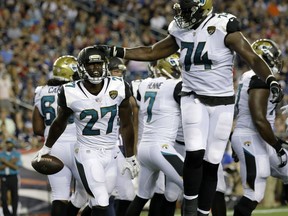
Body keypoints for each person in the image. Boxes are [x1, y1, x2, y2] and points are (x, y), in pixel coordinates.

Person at [96, 1, 284, 215]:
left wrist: (270, 79)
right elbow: (151, 52)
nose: (182, 15)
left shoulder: (223, 26)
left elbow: (251, 57)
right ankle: (190, 207)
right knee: (195, 154)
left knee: (212, 163)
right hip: (193, 97)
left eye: (187, 11)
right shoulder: (179, 30)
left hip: (222, 104)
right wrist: (117, 50)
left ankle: (202, 212)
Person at [34, 46, 139, 216]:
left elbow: (126, 124)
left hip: (111, 152)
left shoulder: (119, 86)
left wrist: (130, 156)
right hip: (87, 152)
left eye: (98, 65)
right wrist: (46, 147)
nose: (95, 69)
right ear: (81, 68)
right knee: (101, 200)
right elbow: (59, 123)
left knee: (95, 199)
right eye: (91, 65)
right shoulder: (70, 91)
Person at [231, 38, 288, 216]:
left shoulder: (247, 77)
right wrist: (277, 146)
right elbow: (258, 119)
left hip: (254, 136)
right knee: (254, 192)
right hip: (252, 137)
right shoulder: (259, 77)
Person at [125, 53, 184, 216]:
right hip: (162, 147)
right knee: (194, 185)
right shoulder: (175, 85)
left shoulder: (143, 84)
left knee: (141, 197)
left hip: (145, 148)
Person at [32, 55, 87, 216]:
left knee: (59, 196)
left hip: (53, 146)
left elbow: (37, 128)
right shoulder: (78, 89)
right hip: (79, 144)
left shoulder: (41, 91)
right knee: (89, 194)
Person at [108, 57, 136, 216]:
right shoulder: (97, 90)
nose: (119, 75)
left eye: (121, 72)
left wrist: (131, 152)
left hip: (117, 147)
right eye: (115, 71)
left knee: (127, 195)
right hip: (97, 147)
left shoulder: (124, 91)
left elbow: (129, 124)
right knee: (100, 198)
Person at [0, 138, 22, 216]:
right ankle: (7, 214)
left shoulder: (17, 154)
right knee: (3, 198)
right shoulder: (1, 154)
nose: (8, 144)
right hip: (3, 177)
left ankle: (14, 214)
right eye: (7, 143)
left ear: (13, 144)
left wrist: (4, 162)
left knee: (14, 197)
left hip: (13, 177)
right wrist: (11, 162)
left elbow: (17, 167)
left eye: (10, 143)